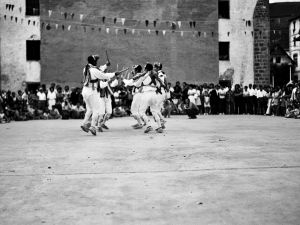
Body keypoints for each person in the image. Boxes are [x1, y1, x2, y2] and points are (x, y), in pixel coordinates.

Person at [80, 54, 121, 135]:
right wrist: (114, 74)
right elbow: (103, 75)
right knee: (96, 110)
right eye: (96, 61)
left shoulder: (86, 68)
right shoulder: (94, 70)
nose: (97, 62)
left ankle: (85, 124)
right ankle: (92, 126)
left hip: (84, 91)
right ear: (94, 61)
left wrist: (106, 65)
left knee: (90, 109)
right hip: (91, 91)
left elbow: (99, 69)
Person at [137, 63, 164, 133]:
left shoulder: (144, 75)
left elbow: (137, 84)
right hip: (154, 94)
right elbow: (159, 84)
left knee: (141, 111)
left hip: (146, 94)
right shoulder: (155, 75)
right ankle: (159, 127)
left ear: (146, 69)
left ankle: (148, 126)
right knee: (154, 111)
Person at [122, 65, 147, 129]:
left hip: (138, 94)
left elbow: (129, 83)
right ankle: (140, 122)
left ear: (136, 70)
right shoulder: (140, 75)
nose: (132, 71)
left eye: (134, 69)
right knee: (137, 110)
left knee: (133, 110)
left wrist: (123, 79)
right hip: (140, 94)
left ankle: (141, 123)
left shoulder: (138, 75)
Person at [153, 62, 168, 128]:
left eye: (155, 67)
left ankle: (162, 120)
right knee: (157, 108)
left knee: (155, 108)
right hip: (160, 92)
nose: (154, 68)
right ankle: (162, 123)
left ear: (158, 67)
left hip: (160, 92)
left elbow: (161, 83)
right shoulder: (160, 73)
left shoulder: (160, 73)